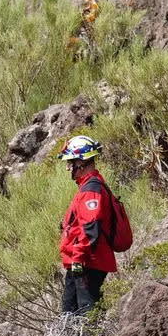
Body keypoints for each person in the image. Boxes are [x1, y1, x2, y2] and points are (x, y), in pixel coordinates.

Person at [57, 135, 117, 314]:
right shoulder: (88, 187)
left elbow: (91, 227)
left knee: (86, 312)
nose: (69, 167)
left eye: (71, 162)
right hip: (82, 261)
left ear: (81, 162)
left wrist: (78, 258)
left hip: (87, 261)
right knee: (70, 311)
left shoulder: (91, 189)